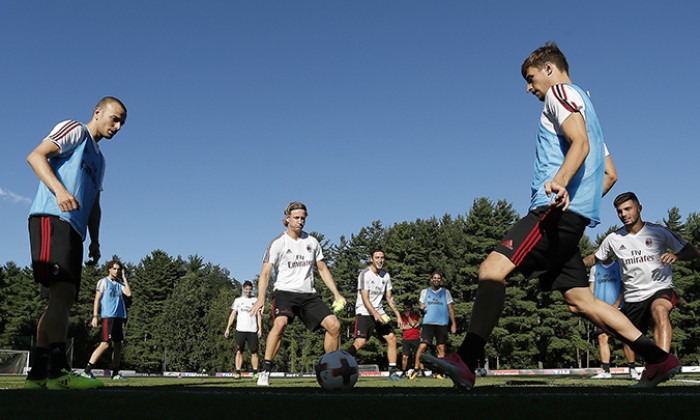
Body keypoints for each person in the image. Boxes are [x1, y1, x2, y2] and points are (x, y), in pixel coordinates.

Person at [420, 43, 681, 390]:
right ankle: (659, 359)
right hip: (570, 219)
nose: (528, 88)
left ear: (548, 68)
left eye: (530, 79)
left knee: (491, 271)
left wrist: (559, 184)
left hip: (553, 213)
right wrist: (579, 201)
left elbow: (580, 144)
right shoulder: (588, 109)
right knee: (581, 298)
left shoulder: (559, 92)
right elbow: (609, 174)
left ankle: (465, 361)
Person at [25, 96, 127, 390]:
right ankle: (58, 373)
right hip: (51, 218)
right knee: (62, 294)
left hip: (75, 232)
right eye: (114, 118)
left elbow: (94, 203)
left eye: (122, 123)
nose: (117, 127)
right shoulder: (75, 130)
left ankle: (37, 376)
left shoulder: (100, 159)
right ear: (98, 112)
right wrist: (59, 191)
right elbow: (35, 156)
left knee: (63, 299)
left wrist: (95, 240)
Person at [585, 192, 700, 369]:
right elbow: (595, 258)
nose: (623, 214)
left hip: (660, 289)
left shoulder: (659, 231)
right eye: (619, 211)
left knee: (660, 310)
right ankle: (652, 363)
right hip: (632, 298)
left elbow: (693, 252)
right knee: (626, 338)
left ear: (640, 208)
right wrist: (572, 264)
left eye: (628, 209)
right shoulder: (613, 239)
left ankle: (661, 365)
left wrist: (676, 256)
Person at [250, 202, 346, 386]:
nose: (300, 221)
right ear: (287, 219)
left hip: (308, 294)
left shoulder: (312, 242)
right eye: (296, 218)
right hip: (285, 292)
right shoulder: (278, 243)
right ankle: (265, 371)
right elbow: (265, 273)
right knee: (280, 324)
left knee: (334, 326)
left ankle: (327, 370)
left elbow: (323, 269)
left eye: (303, 218)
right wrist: (261, 298)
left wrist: (336, 294)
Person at [346, 249, 404, 381]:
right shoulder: (364, 274)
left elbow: (389, 298)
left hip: (379, 312)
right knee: (360, 342)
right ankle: (342, 362)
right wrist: (375, 313)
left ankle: (393, 373)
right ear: (372, 259)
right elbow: (365, 299)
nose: (380, 260)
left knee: (392, 338)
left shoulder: (386, 276)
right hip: (364, 311)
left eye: (382, 257)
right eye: (377, 257)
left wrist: (398, 315)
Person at [588, 259, 639, 380]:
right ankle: (606, 371)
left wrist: (616, 304)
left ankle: (632, 370)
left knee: (626, 338)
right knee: (602, 337)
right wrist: (590, 307)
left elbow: (624, 286)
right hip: (600, 309)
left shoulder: (620, 266)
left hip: (619, 308)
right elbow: (591, 289)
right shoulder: (594, 268)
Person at [82, 258, 132, 381]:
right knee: (104, 344)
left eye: (119, 269)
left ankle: (115, 373)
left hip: (118, 318)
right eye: (114, 268)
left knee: (118, 345)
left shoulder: (120, 283)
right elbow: (97, 299)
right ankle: (86, 371)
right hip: (108, 317)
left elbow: (128, 293)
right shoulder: (103, 282)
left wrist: (125, 278)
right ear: (109, 269)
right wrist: (95, 316)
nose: (116, 271)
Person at [411, 272, 457, 380]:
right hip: (428, 323)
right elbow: (421, 305)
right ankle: (416, 369)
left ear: (440, 280)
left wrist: (453, 323)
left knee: (441, 348)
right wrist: (421, 306)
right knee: (423, 346)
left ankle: (440, 373)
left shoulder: (446, 292)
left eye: (438, 278)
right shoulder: (425, 292)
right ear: (431, 279)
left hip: (441, 324)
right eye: (434, 278)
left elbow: (450, 308)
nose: (436, 280)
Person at [225, 280, 263, 379]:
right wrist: (228, 328)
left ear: (252, 289)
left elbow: (259, 315)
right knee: (239, 351)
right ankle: (238, 372)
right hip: (240, 330)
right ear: (243, 289)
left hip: (252, 330)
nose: (248, 291)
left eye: (250, 289)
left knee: (254, 352)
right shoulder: (238, 300)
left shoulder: (255, 300)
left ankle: (255, 373)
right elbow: (233, 315)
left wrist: (260, 329)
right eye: (246, 289)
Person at [399, 302, 421, 377]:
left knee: (417, 355)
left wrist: (408, 317)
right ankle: (404, 371)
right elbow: (402, 327)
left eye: (407, 308)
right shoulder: (401, 317)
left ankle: (420, 371)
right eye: (404, 308)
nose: (406, 309)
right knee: (405, 356)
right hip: (406, 339)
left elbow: (413, 324)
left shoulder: (415, 316)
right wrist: (412, 326)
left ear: (411, 308)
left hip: (415, 338)